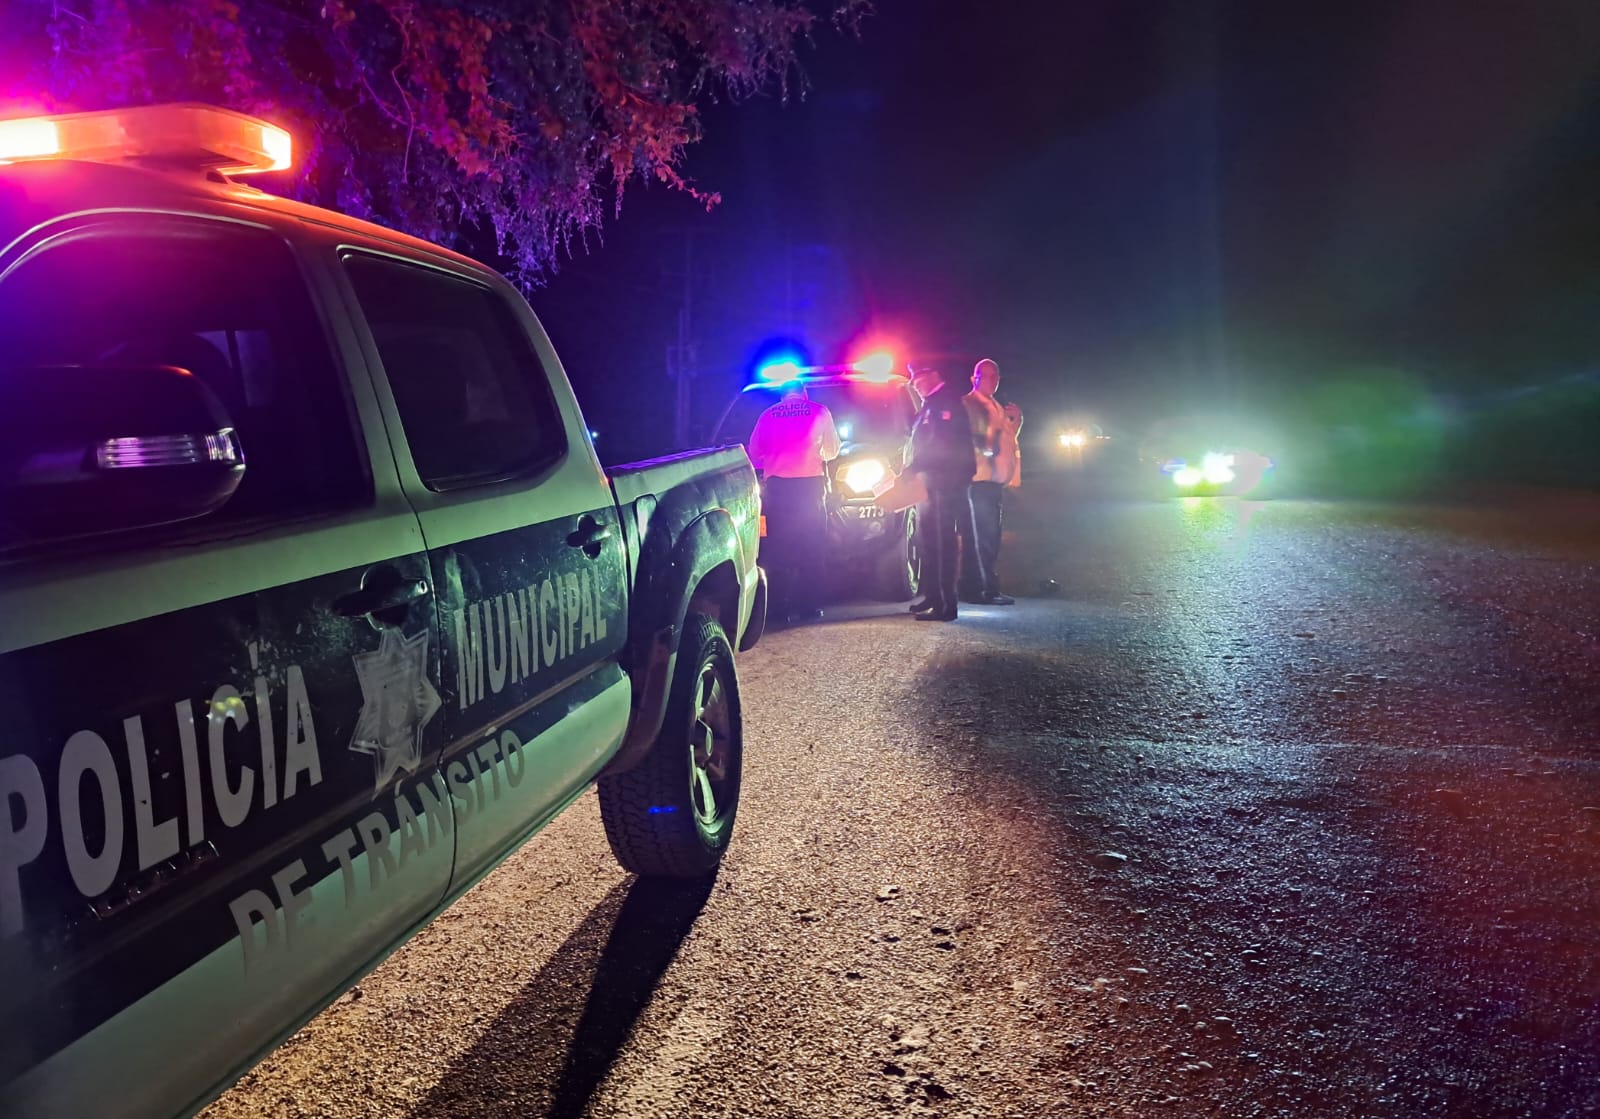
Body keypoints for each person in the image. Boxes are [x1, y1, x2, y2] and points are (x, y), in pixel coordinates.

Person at [746, 382, 840, 621]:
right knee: (812, 548)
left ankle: (778, 609)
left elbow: (754, 452)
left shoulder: (768, 414)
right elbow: (832, 451)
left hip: (778, 489)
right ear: (804, 393)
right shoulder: (819, 411)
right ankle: (808, 607)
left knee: (778, 549)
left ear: (782, 395)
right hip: (809, 488)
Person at [905, 366, 975, 621]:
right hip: (932, 481)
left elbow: (939, 444)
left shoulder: (945, 402)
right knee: (929, 541)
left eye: (918, 381)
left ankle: (947, 605)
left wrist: (912, 468)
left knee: (944, 543)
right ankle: (933, 595)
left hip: (947, 481)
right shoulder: (931, 404)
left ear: (932, 376)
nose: (915, 386)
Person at [960, 357, 1022, 605]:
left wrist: (1015, 423)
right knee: (981, 537)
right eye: (987, 376)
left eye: (996, 376)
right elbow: (979, 441)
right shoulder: (969, 405)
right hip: (979, 481)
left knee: (990, 536)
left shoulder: (993, 405)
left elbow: (1004, 442)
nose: (993, 381)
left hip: (993, 481)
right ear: (974, 378)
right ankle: (979, 590)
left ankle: (986, 587)